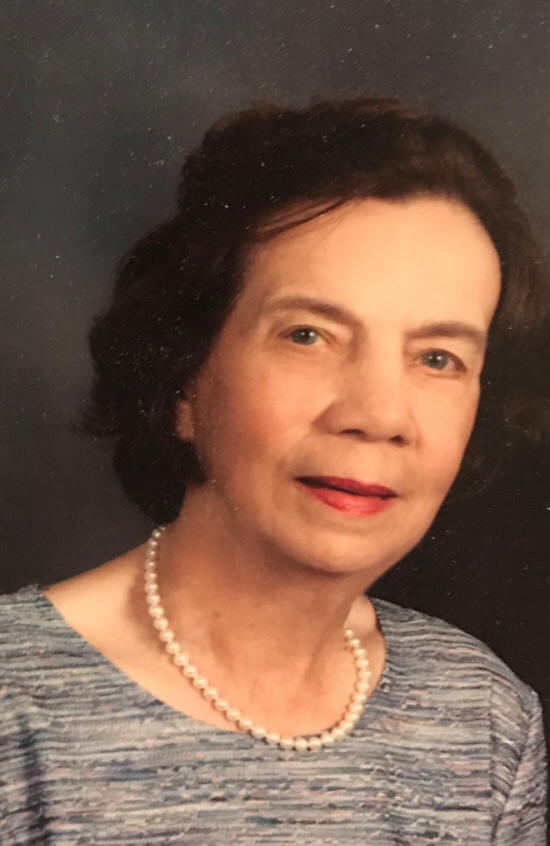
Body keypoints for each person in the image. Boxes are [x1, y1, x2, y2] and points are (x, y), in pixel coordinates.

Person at [1, 97, 548, 844]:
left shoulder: (485, 718)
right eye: (308, 335)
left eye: (437, 358)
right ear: (183, 381)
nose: (378, 415)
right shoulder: (17, 707)